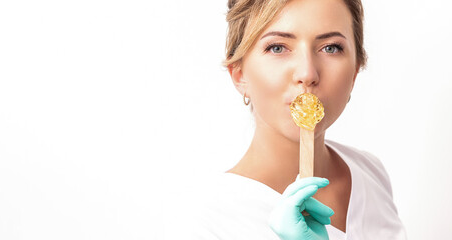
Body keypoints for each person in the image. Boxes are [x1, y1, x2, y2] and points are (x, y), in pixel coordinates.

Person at [159, 0, 407, 239]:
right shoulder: (206, 225)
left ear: (355, 71)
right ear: (239, 74)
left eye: (331, 47)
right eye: (277, 47)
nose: (307, 73)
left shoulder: (370, 171)